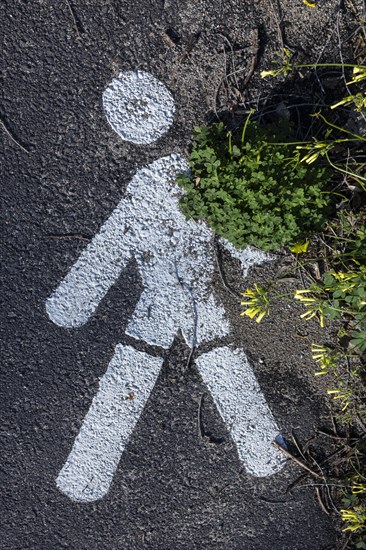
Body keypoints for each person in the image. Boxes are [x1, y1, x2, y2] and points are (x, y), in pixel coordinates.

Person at [46, 70, 284, 502]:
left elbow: (113, 243)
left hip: (163, 297)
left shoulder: (148, 186)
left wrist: (73, 301)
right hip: (190, 294)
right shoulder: (188, 178)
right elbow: (121, 239)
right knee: (220, 361)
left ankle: (87, 472)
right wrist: (253, 249)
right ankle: (262, 449)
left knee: (137, 372)